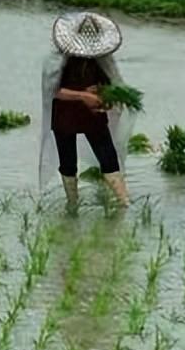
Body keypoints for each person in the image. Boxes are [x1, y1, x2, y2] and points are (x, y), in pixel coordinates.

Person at [40, 11, 133, 209]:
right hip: (65, 116)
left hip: (93, 116)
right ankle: (72, 204)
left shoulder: (100, 60)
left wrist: (104, 97)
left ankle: (125, 204)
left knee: (109, 159)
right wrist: (84, 96)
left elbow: (108, 85)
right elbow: (54, 91)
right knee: (68, 163)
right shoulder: (57, 62)